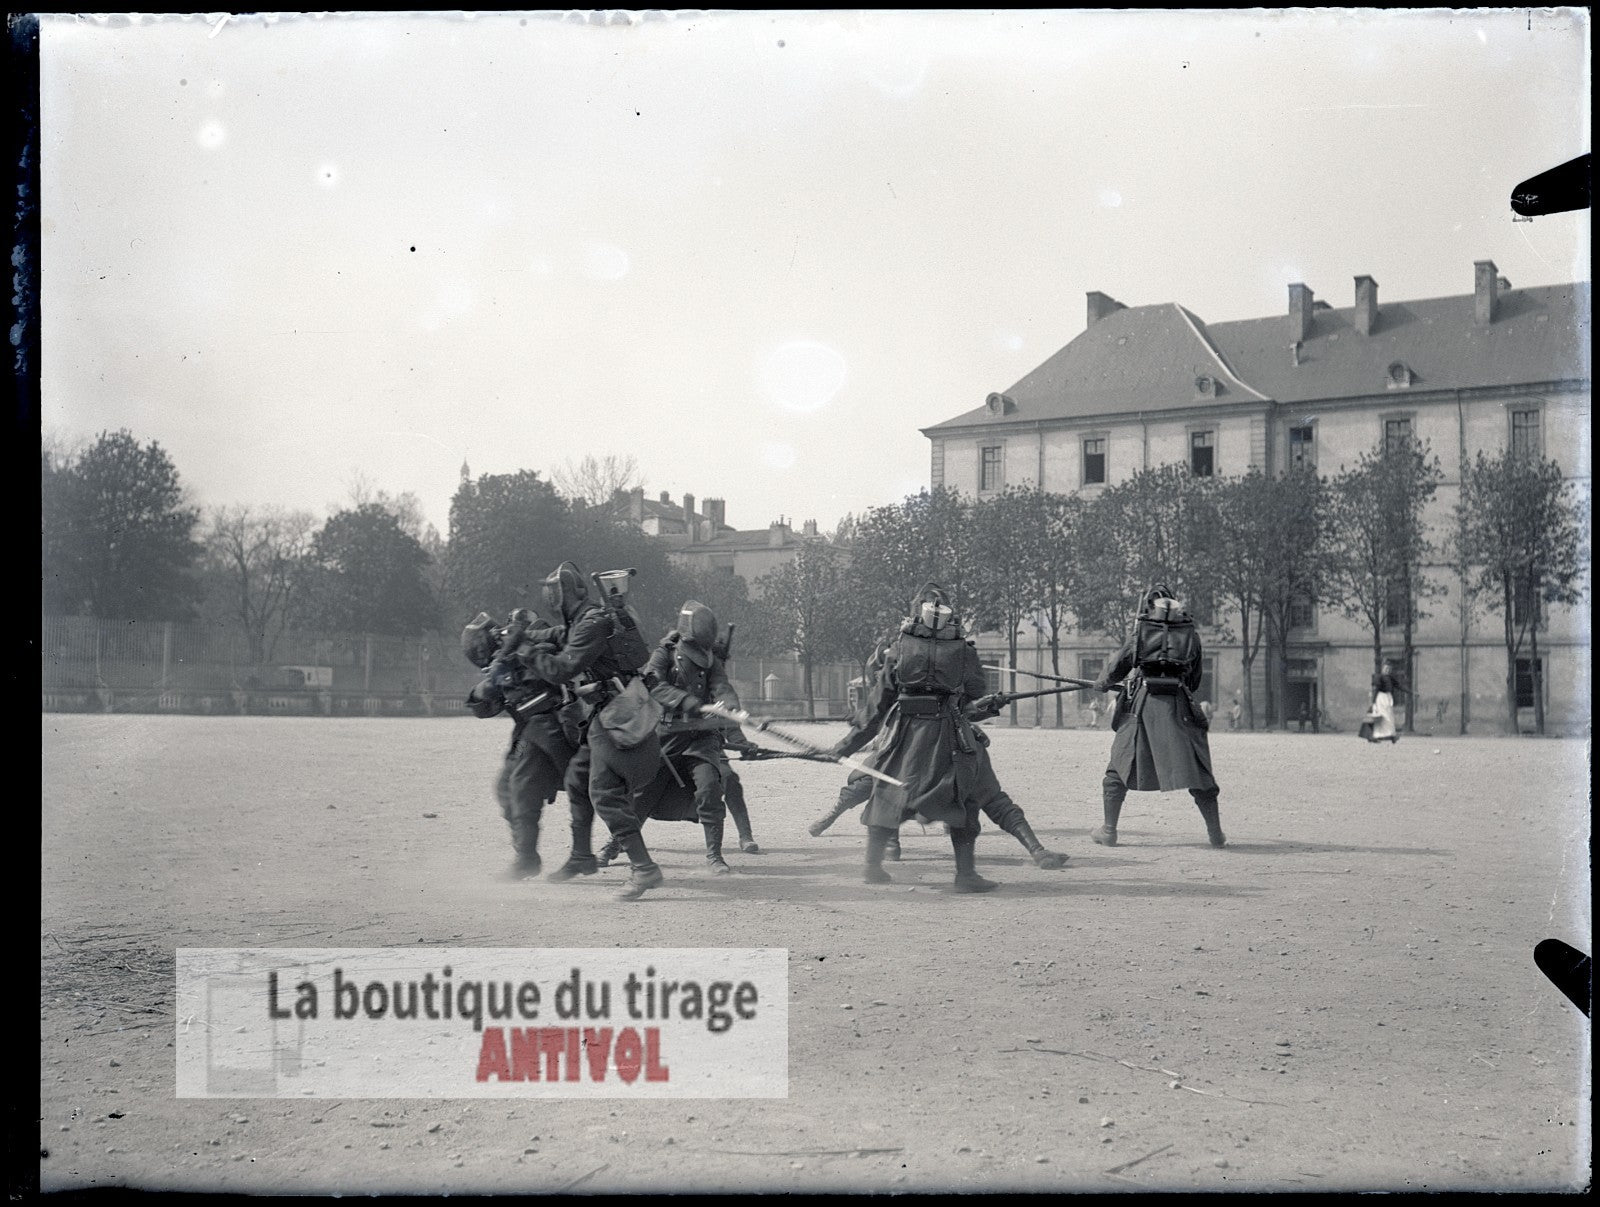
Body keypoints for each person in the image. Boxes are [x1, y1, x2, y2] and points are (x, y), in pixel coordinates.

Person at [811, 629, 1068, 870]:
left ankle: (878, 859)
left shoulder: (900, 652)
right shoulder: (958, 651)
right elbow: (969, 700)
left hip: (906, 745)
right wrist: (981, 705)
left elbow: (874, 714)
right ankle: (1029, 853)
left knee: (882, 789)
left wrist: (843, 748)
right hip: (953, 743)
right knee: (988, 795)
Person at [830, 584, 1018, 892]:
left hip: (904, 739)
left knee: (887, 794)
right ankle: (965, 875)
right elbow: (974, 702)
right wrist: (990, 705)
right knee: (961, 797)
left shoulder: (898, 649)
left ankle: (871, 867)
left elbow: (877, 709)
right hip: (947, 739)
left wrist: (844, 747)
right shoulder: (965, 652)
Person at [517, 562, 669, 901]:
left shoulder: (590, 624)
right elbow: (557, 635)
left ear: (562, 594)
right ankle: (582, 855)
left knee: (603, 793)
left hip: (613, 713)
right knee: (577, 777)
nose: (548, 597)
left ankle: (644, 868)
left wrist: (524, 650)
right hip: (613, 709)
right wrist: (524, 635)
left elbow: (561, 669)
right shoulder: (587, 619)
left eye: (552, 591)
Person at [1090, 586, 1226, 849]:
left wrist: (1102, 683)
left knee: (1119, 767)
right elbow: (1195, 680)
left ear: (1149, 606)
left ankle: (1109, 831)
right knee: (1198, 771)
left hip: (1143, 706)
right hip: (1179, 706)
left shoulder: (1139, 632)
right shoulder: (1191, 635)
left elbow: (1116, 668)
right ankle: (1215, 834)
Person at [460, 610, 579, 880]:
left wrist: (517, 651)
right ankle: (525, 853)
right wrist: (490, 681)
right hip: (528, 733)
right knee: (505, 787)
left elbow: (552, 656)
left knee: (522, 786)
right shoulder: (501, 661)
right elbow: (486, 706)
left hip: (549, 726)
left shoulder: (525, 642)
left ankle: (526, 858)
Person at [1367, 658, 1406, 744]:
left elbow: (1399, 686)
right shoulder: (1379, 677)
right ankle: (1376, 735)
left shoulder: (1390, 678)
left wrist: (1411, 692)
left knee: (1389, 717)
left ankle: (1390, 735)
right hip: (1380, 698)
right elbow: (1376, 690)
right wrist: (1373, 702)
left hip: (1388, 698)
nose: (1387, 670)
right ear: (1383, 669)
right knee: (1381, 717)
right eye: (1386, 668)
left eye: (1389, 669)